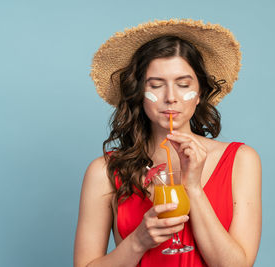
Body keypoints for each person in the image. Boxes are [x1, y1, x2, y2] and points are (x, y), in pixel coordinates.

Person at [74, 19, 262, 267]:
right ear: (139, 93)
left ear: (200, 94)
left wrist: (193, 187)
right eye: (156, 85)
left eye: (183, 85)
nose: (171, 98)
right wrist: (139, 241)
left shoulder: (241, 160)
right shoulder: (104, 171)